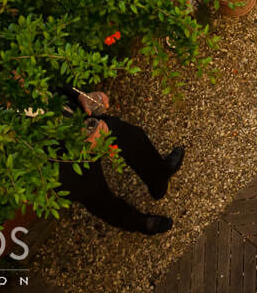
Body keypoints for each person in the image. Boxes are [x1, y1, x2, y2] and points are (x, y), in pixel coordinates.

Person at [54, 87, 184, 236]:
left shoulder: (25, 75)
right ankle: (140, 223)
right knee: (98, 196)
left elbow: (52, 85)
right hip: (62, 165)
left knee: (131, 137)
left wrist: (79, 96)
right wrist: (80, 148)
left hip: (83, 124)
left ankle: (159, 178)